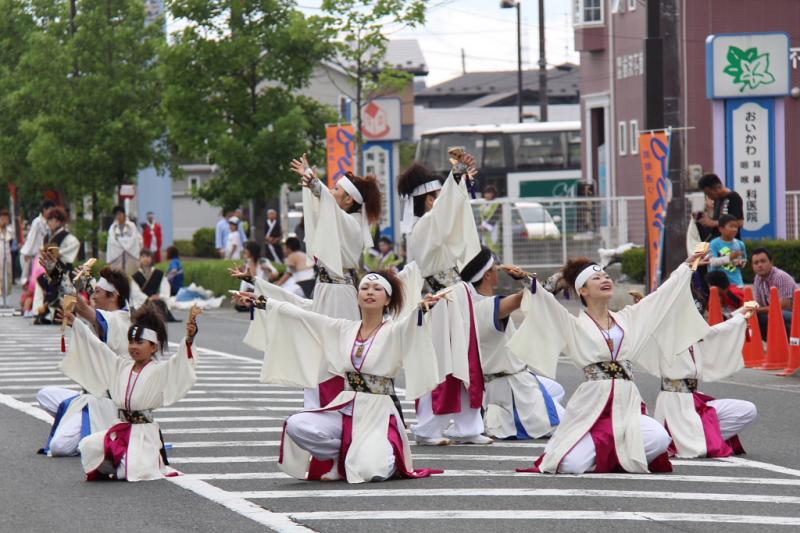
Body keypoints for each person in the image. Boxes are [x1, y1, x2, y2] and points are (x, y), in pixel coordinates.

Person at [507, 250, 710, 474]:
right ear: (582, 290)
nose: (605, 280)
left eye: (606, 276)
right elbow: (548, 306)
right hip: (592, 404)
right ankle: (609, 452)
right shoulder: (573, 325)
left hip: (627, 403)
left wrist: (686, 266)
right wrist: (528, 281)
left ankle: (614, 454)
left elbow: (660, 297)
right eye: (597, 278)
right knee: (568, 465)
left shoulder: (629, 317)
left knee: (660, 439)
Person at [243, 270, 444, 483]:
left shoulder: (394, 330)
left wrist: (422, 309)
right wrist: (263, 302)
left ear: (388, 299)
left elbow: (412, 323)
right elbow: (302, 316)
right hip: (345, 406)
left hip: (377, 413)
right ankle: (343, 454)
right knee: (296, 425)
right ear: (357, 296)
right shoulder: (344, 328)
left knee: (371, 470)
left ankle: (376, 455)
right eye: (364, 288)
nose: (370, 293)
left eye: (377, 289)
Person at [244, 154, 381, 410]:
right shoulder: (343, 221)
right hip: (329, 288)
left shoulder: (350, 223)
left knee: (334, 351)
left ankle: (338, 406)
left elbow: (327, 208)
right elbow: (325, 212)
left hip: (339, 294)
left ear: (349, 200)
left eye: (336, 189)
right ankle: (321, 405)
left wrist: (314, 183)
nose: (331, 191)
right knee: (321, 348)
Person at [397, 158, 489, 446]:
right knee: (440, 365)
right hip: (440, 300)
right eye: (435, 197)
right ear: (425, 200)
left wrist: (459, 184)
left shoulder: (434, 222)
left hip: (456, 297)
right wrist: (455, 179)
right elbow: (446, 216)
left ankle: (469, 426)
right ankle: (427, 428)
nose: (440, 201)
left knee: (466, 362)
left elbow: (452, 216)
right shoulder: (424, 226)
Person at [60, 304, 200, 481]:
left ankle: (130, 460)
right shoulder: (121, 364)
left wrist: (189, 339)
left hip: (143, 434)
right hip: (120, 427)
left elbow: (180, 361)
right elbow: (96, 347)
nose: (134, 347)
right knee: (88, 446)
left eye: (139, 342)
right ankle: (119, 457)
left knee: (131, 471)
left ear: (154, 347)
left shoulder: (159, 370)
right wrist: (76, 324)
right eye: (131, 342)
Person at [460, 248, 565, 440]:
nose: (498, 272)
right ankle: (509, 417)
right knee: (569, 425)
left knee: (556, 389)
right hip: (511, 386)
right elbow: (528, 296)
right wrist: (558, 277)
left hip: (499, 381)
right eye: (495, 269)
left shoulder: (469, 306)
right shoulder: (487, 307)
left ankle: (504, 413)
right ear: (488, 275)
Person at [37, 267, 132, 456]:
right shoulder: (110, 317)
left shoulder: (118, 321)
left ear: (113, 296)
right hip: (89, 395)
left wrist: (59, 276)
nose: (93, 297)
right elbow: (89, 311)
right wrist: (87, 283)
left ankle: (93, 433)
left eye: (97, 292)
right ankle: (83, 426)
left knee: (59, 447)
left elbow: (80, 307)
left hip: (106, 404)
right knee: (44, 395)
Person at [649, 306, 757, 459]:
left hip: (693, 400)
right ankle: (695, 440)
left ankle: (702, 438)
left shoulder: (694, 338)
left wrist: (740, 315)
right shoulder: (666, 338)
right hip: (673, 403)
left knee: (747, 410)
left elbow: (719, 331)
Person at [33, 207, 81, 324]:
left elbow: (75, 245)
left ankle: (58, 314)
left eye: (51, 220)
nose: (49, 223)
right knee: (42, 284)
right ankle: (44, 313)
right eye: (48, 220)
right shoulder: (47, 236)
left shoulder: (67, 237)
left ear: (58, 221)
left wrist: (59, 254)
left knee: (62, 292)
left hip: (62, 270)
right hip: (50, 270)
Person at [752, 247, 795, 339]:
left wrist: (758, 310)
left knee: (773, 315)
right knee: (753, 317)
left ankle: (788, 343)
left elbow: (784, 305)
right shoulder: (757, 278)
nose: (759, 265)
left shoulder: (781, 277)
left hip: (794, 315)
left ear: (771, 262)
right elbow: (759, 304)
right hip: (776, 313)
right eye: (756, 263)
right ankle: (774, 345)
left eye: (763, 261)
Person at [131, 250, 178, 322]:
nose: (146, 259)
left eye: (148, 256)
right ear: (139, 259)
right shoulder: (135, 276)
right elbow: (135, 292)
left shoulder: (158, 273)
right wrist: (148, 299)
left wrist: (160, 296)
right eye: (143, 256)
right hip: (142, 302)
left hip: (156, 301)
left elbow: (165, 288)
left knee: (158, 305)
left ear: (152, 259)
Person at [697, 173, 744, 239]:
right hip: (718, 242)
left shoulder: (733, 197)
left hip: (729, 244)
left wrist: (713, 223)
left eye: (709, 194)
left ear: (717, 188)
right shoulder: (718, 199)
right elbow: (718, 219)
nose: (709, 197)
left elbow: (739, 222)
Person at [19, 200, 54, 286]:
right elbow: (31, 238)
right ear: (44, 210)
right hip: (36, 255)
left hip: (46, 256)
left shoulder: (50, 222)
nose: (52, 212)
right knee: (34, 280)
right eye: (50, 210)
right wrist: (27, 252)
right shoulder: (37, 222)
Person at [709, 214, 747, 288]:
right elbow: (712, 262)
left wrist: (741, 263)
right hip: (719, 285)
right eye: (731, 226)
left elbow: (744, 260)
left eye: (736, 227)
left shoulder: (740, 243)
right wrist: (730, 258)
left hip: (737, 284)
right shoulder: (714, 243)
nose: (734, 229)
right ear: (721, 229)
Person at [107, 206, 141, 277]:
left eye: (119, 214)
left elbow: (134, 239)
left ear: (124, 214)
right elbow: (112, 242)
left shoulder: (131, 226)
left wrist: (120, 241)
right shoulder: (113, 227)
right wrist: (123, 242)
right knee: (118, 277)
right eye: (116, 215)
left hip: (130, 255)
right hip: (117, 257)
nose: (118, 216)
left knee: (131, 276)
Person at [478, 185, 500, 255]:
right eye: (485, 193)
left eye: (488, 193)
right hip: (484, 231)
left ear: (493, 194)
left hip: (493, 230)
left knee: (493, 247)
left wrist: (487, 227)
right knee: (485, 248)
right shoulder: (483, 204)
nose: (486, 195)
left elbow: (496, 217)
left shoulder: (497, 204)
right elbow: (480, 217)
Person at [0, 209, 14, 297]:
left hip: (7, 252)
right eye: (3, 218)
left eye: (6, 218)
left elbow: (11, 240)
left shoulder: (10, 229)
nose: (5, 220)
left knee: (8, 273)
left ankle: (7, 294)